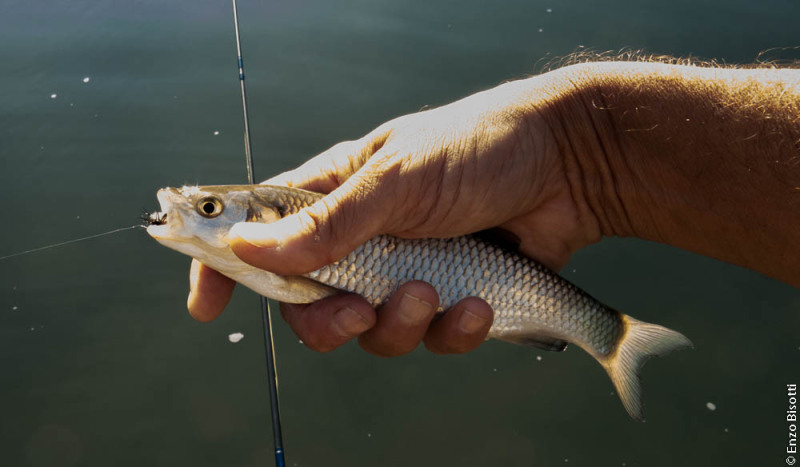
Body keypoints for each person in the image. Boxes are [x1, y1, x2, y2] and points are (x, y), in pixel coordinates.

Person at [185, 58, 800, 357]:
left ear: (268, 220)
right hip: (479, 261)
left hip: (477, 259)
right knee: (448, 309)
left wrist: (576, 147)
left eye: (210, 207)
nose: (197, 212)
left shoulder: (287, 245)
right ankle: (608, 339)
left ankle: (613, 340)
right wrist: (573, 149)